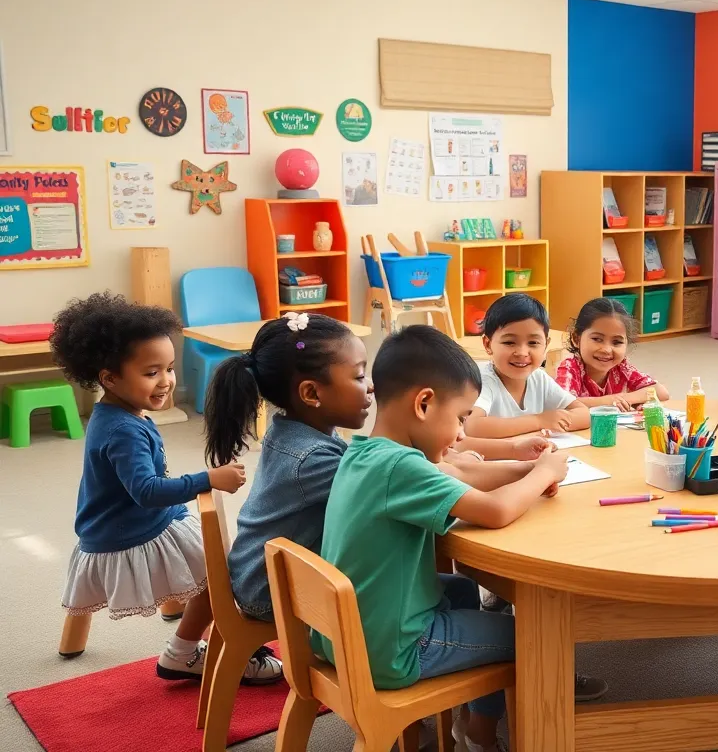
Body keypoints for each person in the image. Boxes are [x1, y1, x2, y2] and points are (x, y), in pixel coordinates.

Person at [315, 326, 570, 752]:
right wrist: (544, 473)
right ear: (424, 402)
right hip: (394, 649)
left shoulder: (366, 452)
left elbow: (458, 472)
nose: (460, 434)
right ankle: (483, 735)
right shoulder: (402, 467)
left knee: (464, 588)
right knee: (534, 638)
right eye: (461, 418)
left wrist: (527, 470)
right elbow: (495, 512)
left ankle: (468, 724)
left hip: (345, 633)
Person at [49, 292, 280, 683]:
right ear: (109, 377)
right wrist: (208, 479)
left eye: (169, 368)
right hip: (132, 531)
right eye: (151, 372)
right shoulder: (123, 430)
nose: (167, 381)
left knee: (200, 542)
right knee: (222, 578)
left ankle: (173, 609)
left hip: (114, 520)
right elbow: (148, 491)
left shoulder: (115, 412)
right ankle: (182, 652)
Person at [203, 313, 372, 622]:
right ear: (311, 393)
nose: (371, 387)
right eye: (360, 377)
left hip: (259, 574)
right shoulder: (311, 459)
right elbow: (382, 487)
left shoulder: (292, 430)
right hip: (269, 591)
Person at [463, 294, 591, 437]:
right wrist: (539, 421)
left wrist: (550, 422)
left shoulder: (539, 379)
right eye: (509, 342)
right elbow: (473, 427)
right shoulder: (483, 381)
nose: (522, 353)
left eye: (533, 343)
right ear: (488, 344)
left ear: (545, 345)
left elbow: (584, 414)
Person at [556, 297, 669, 410]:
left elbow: (661, 392)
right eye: (597, 339)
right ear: (576, 339)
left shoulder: (621, 368)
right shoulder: (571, 368)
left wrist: (624, 399)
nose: (607, 349)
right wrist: (608, 401)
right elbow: (562, 403)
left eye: (617, 342)